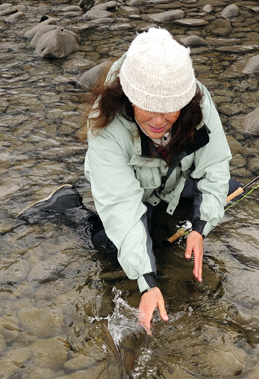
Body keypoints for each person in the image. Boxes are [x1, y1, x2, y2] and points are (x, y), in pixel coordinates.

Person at [19, 27, 240, 334]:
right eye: (148, 107)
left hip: (172, 179)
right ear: (130, 97)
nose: (159, 121)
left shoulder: (198, 102)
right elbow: (122, 208)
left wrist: (201, 228)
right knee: (113, 247)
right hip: (133, 191)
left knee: (229, 188)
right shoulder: (106, 127)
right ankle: (69, 208)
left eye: (169, 109)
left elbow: (215, 164)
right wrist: (147, 282)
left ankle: (171, 217)